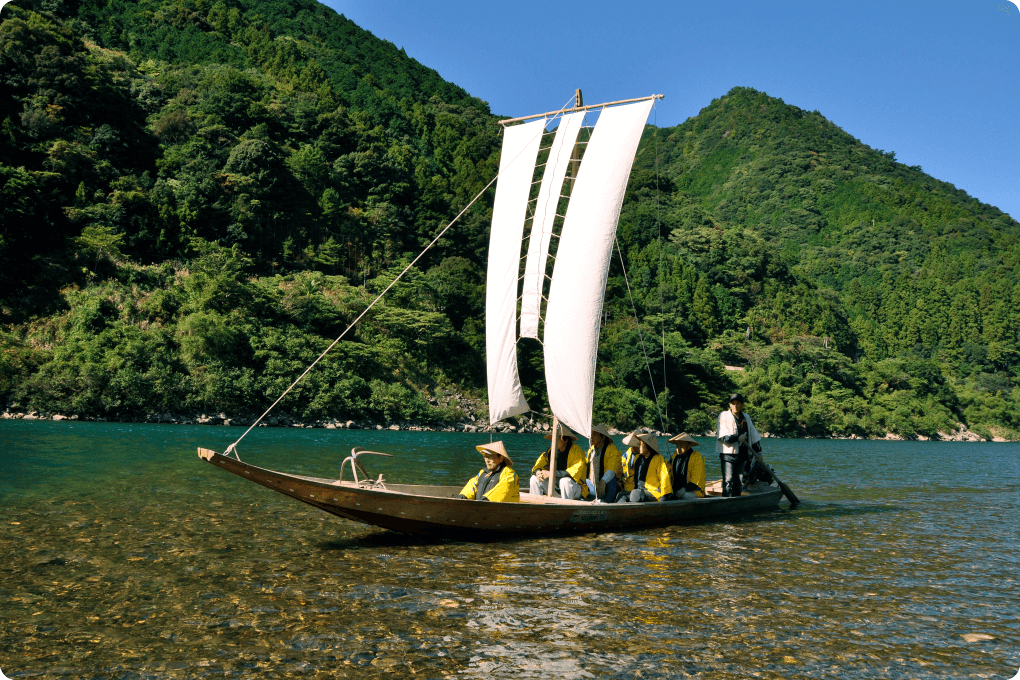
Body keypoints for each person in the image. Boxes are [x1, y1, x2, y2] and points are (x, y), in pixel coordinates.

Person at [716, 393, 762, 497]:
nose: (735, 406)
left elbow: (753, 436)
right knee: (728, 481)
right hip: (728, 455)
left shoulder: (746, 417)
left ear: (742, 405)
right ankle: (726, 502)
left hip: (742, 454)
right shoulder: (723, 415)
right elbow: (723, 436)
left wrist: (759, 452)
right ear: (730, 405)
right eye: (733, 403)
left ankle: (736, 501)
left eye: (738, 403)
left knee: (738, 482)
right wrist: (737, 438)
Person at [529, 424, 586, 499]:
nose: (553, 441)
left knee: (565, 481)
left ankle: (565, 508)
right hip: (556, 487)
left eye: (557, 438)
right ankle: (536, 506)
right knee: (534, 479)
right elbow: (538, 465)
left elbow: (572, 473)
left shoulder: (577, 451)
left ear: (566, 440)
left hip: (576, 489)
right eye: (553, 438)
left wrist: (551, 474)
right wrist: (538, 472)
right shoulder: (550, 451)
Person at [616, 431, 672, 503]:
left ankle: (632, 511)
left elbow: (665, 478)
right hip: (639, 491)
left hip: (654, 492)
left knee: (635, 493)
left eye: (642, 444)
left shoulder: (659, 459)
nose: (639, 446)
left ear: (648, 446)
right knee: (621, 496)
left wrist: (664, 497)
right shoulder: (638, 459)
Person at [585, 423, 623, 502]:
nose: (591, 437)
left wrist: (603, 481)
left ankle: (606, 502)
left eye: (594, 435)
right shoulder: (591, 450)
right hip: (593, 486)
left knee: (611, 481)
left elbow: (611, 470)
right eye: (591, 434)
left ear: (603, 438)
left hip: (608, 486)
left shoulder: (612, 450)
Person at [667, 433, 705, 499]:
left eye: (681, 445)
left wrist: (684, 489)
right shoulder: (674, 456)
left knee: (685, 496)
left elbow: (696, 479)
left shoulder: (697, 457)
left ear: (688, 445)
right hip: (676, 489)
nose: (678, 448)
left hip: (694, 491)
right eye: (677, 445)